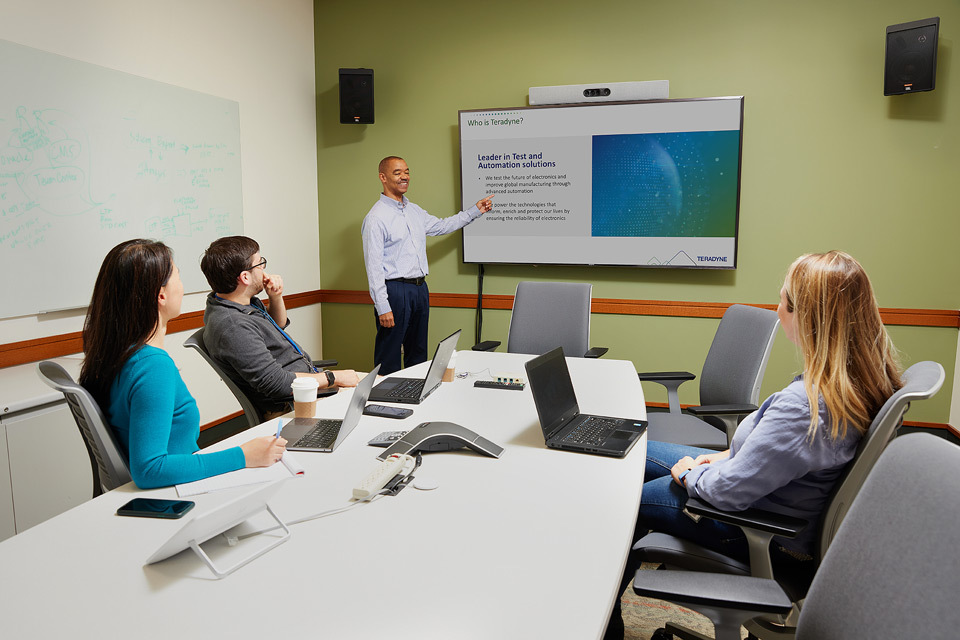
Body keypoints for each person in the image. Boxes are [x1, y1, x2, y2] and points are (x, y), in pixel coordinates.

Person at [606, 250, 902, 638]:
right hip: (771, 502)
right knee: (633, 452)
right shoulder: (854, 382)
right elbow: (780, 457)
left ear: (809, 318)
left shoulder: (806, 409)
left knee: (616, 506)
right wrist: (725, 456)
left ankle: (604, 627)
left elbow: (727, 493)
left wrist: (690, 475)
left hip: (753, 527)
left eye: (784, 302)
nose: (777, 311)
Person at [79, 239, 286, 490]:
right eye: (178, 275)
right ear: (161, 295)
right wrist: (245, 455)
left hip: (178, 485)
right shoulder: (152, 368)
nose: (182, 285)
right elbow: (150, 469)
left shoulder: (115, 354)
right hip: (176, 494)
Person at [200, 236, 358, 419]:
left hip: (308, 386)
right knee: (378, 399)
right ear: (245, 277)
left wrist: (275, 296)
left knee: (384, 386)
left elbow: (278, 325)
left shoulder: (237, 303)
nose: (264, 269)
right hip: (293, 404)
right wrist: (333, 377)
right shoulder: (233, 326)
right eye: (260, 264)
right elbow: (276, 384)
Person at [362, 156, 494, 374]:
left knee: (418, 352)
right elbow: (373, 267)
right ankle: (384, 403)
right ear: (382, 177)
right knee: (390, 354)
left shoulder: (414, 211)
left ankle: (415, 398)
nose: (404, 176)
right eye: (397, 173)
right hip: (394, 291)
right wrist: (382, 306)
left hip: (420, 290)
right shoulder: (376, 218)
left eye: (407, 171)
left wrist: (475, 211)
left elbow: (441, 226)